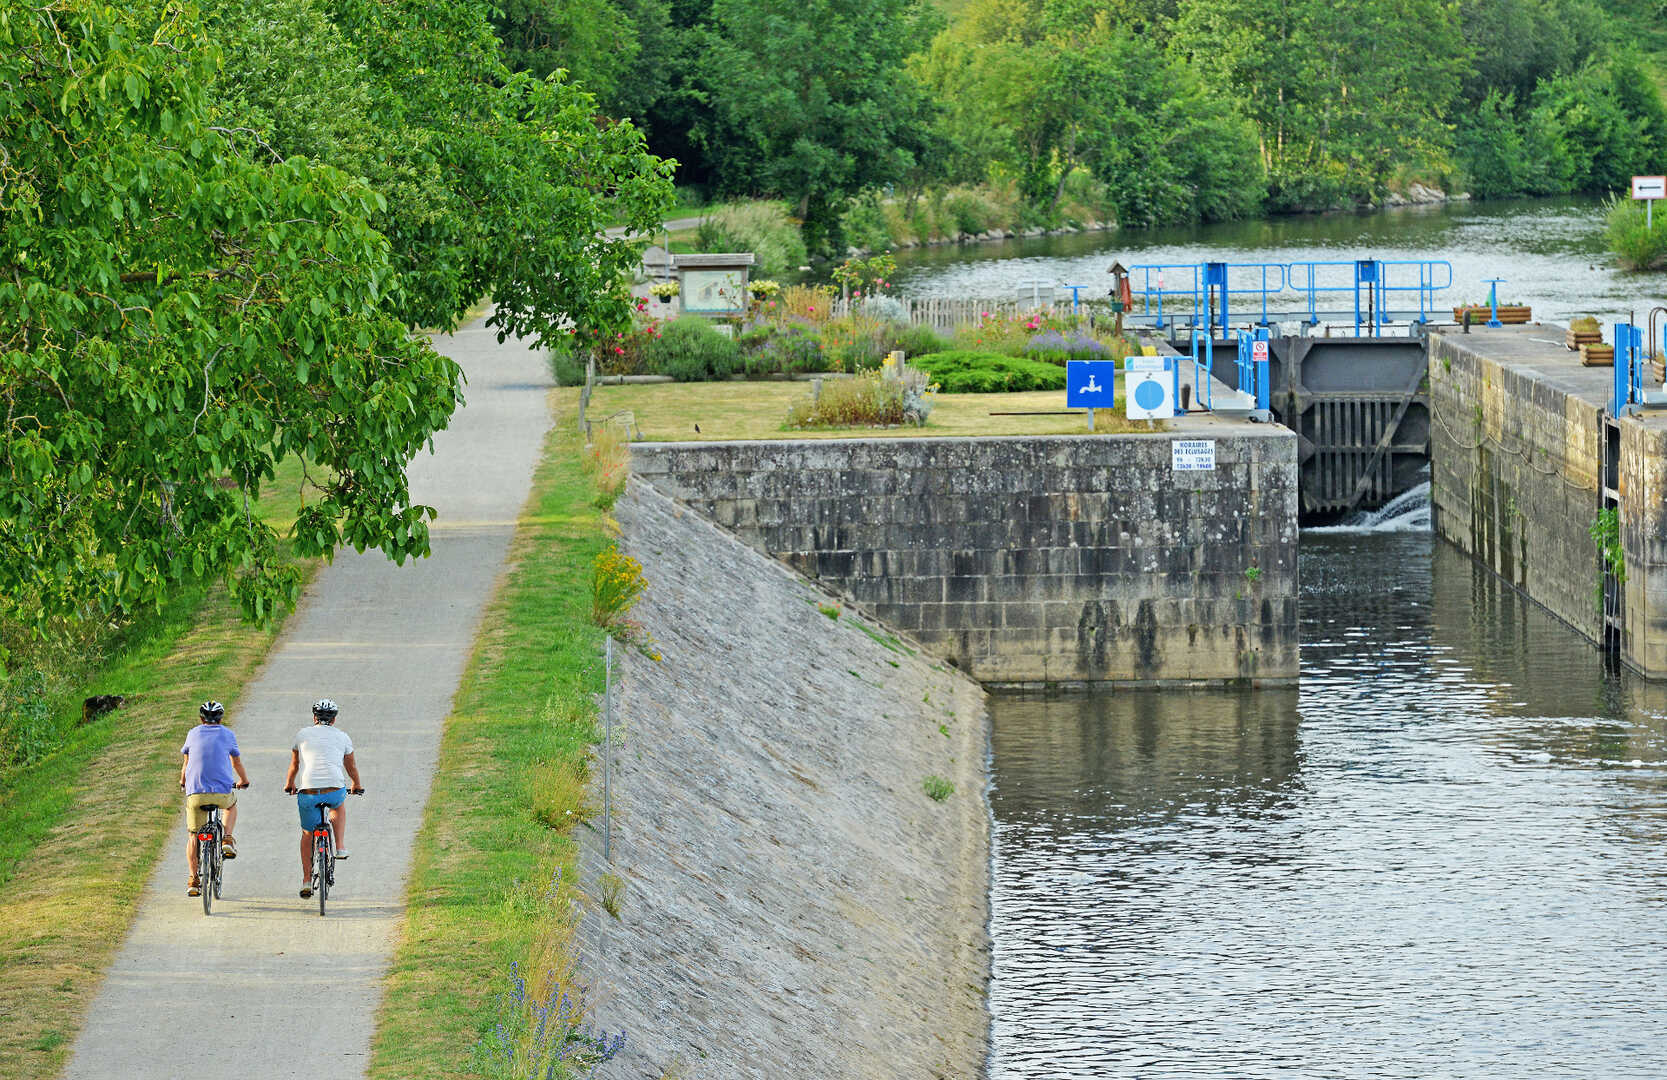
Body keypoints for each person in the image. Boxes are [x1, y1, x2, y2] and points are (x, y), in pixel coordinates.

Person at [282, 698, 364, 898]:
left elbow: (294, 766)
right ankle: (341, 847)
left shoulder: (302, 734)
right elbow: (350, 766)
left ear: (314, 717)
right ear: (334, 719)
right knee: (338, 806)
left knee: (307, 834)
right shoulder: (343, 737)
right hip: (334, 788)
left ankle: (306, 880)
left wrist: (289, 784)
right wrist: (356, 785)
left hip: (308, 791)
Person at [179, 700, 250, 897]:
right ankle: (226, 838)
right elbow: (236, 762)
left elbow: (186, 764)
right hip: (222, 792)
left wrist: (182, 781)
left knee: (194, 835)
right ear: (220, 718)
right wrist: (243, 780)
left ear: (201, 718)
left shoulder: (192, 733)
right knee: (231, 805)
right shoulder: (228, 734)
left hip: (196, 794)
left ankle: (193, 879)